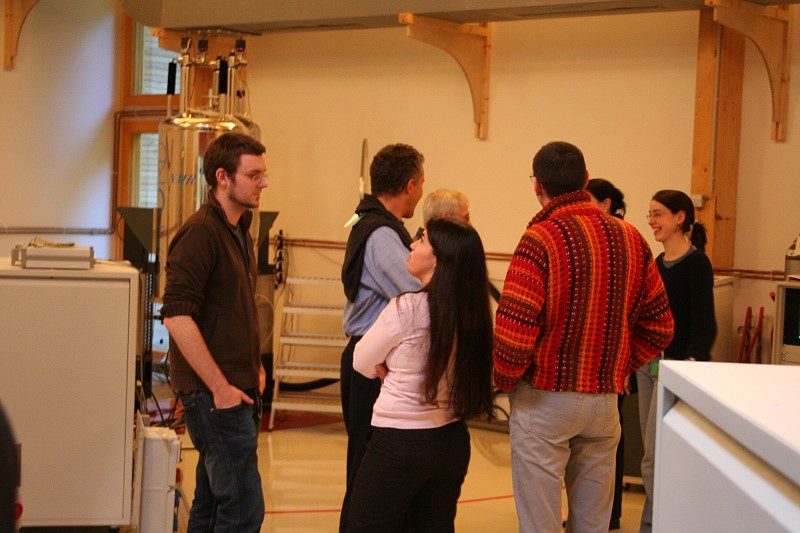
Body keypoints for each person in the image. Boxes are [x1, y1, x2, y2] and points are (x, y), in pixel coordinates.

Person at [492, 141, 674, 533]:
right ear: (586, 180)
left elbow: (513, 333)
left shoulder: (539, 239)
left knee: (539, 524)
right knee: (593, 524)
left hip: (544, 398)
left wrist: (507, 382)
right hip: (604, 403)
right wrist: (618, 366)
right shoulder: (631, 238)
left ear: (537, 185)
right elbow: (661, 325)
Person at [347, 218, 495, 531]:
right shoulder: (473, 313)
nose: (412, 245)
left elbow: (360, 361)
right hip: (451, 442)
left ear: (439, 259)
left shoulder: (408, 308)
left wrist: (388, 367)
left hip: (398, 442)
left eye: (422, 239)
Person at [162, 132, 268, 531]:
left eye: (263, 174)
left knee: (209, 507)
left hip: (235, 389)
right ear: (223, 177)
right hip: (215, 397)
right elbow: (176, 317)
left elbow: (233, 309)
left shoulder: (239, 229)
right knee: (242, 510)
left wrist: (254, 365)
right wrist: (220, 388)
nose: (263, 183)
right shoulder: (202, 232)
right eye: (254, 175)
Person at [339, 143, 426, 531]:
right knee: (368, 468)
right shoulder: (381, 235)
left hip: (374, 359)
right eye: (421, 183)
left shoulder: (370, 221)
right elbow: (417, 291)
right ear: (410, 185)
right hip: (370, 363)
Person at [638, 189, 717, 533]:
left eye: (658, 214)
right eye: (650, 215)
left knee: (656, 458)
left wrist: (690, 362)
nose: (651, 221)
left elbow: (704, 322)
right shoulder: (657, 264)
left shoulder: (697, 263)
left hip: (674, 370)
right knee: (650, 454)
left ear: (680, 217)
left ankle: (656, 524)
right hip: (648, 366)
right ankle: (653, 521)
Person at [585, 177, 628, 530]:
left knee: (608, 448)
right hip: (601, 370)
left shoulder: (622, 241)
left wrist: (629, 362)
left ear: (606, 204)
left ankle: (610, 513)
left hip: (610, 368)